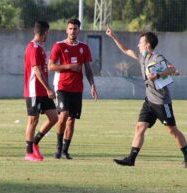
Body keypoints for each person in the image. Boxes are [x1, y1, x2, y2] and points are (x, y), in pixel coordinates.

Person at [106, 26, 187, 167]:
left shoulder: (157, 58)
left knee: (172, 130)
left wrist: (158, 74)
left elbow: (173, 69)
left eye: (140, 42)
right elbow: (125, 50)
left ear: (147, 45)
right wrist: (113, 36)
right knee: (140, 127)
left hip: (162, 102)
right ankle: (131, 159)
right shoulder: (142, 58)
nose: (138, 45)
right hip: (149, 101)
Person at [49, 19, 98, 160]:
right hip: (62, 87)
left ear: (78, 30)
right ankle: (58, 148)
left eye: (75, 29)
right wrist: (69, 66)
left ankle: (65, 150)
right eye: (70, 28)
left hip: (77, 89)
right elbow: (51, 66)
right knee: (63, 115)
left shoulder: (84, 47)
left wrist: (92, 85)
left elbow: (88, 69)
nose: (72, 31)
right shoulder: (58, 46)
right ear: (66, 30)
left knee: (71, 120)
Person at [23, 21, 58, 162]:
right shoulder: (33, 48)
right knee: (33, 120)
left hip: (42, 91)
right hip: (34, 91)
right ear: (44, 33)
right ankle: (28, 152)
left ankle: (35, 142)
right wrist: (49, 88)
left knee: (54, 117)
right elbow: (36, 70)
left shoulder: (40, 48)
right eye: (47, 33)